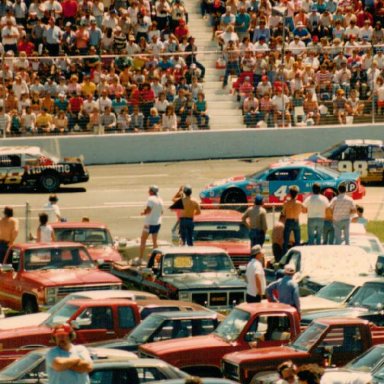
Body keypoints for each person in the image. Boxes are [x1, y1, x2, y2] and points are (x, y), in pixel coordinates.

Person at [139, 185, 164, 261]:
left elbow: (148, 209)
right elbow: (162, 212)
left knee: (143, 239)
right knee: (154, 241)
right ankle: (157, 259)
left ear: (151, 191)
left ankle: (140, 257)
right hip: (157, 223)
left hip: (149, 223)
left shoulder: (151, 199)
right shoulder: (160, 199)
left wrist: (144, 212)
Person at [282, 186, 304, 253]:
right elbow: (303, 211)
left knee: (286, 240)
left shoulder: (286, 203)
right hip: (296, 220)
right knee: (297, 240)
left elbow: (283, 212)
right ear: (297, 194)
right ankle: (297, 253)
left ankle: (284, 254)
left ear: (290, 194)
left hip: (288, 220)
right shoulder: (299, 203)